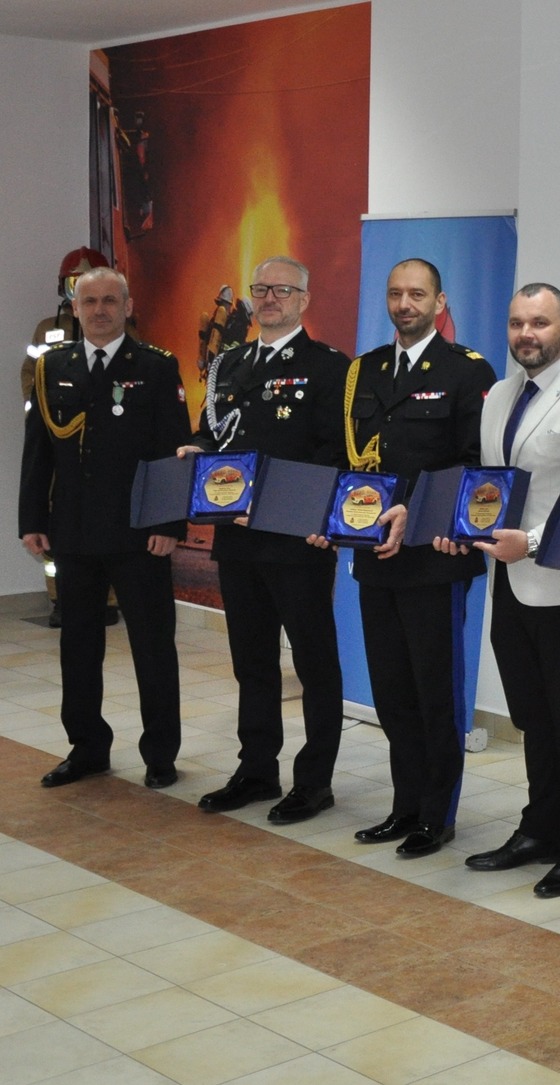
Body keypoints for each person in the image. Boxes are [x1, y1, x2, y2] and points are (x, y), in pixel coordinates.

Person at [447, 282, 560, 897]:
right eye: (517, 322)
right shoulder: (500, 395)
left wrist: (527, 542)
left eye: (540, 323)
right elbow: (492, 483)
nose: (526, 334)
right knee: (535, 716)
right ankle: (540, 829)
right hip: (510, 580)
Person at [331, 258, 495, 858]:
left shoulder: (466, 370)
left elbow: (474, 465)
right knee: (392, 690)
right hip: (376, 555)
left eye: (417, 295)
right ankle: (404, 805)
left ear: (439, 302)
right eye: (396, 294)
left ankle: (436, 814)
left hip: (434, 555)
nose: (405, 305)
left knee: (435, 691)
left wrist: (417, 512)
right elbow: (350, 460)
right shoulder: (365, 370)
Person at [186, 256, 350, 824]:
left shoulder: (328, 367)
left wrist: (296, 511)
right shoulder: (229, 365)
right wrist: (196, 451)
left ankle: (315, 781)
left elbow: (334, 454)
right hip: (236, 539)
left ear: (304, 299)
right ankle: (256, 770)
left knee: (314, 663)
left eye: (282, 290)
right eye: (261, 289)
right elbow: (213, 433)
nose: (269, 298)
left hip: (297, 540)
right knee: (252, 663)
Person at [20, 267, 189, 789]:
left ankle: (160, 754)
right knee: (78, 646)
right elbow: (38, 450)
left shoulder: (156, 366)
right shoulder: (53, 367)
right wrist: (32, 520)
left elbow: (172, 450)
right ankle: (87, 748)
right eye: (89, 301)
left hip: (140, 533)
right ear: (75, 308)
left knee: (153, 647)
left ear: (128, 306)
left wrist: (169, 522)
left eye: (110, 300)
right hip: (72, 532)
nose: (99, 310)